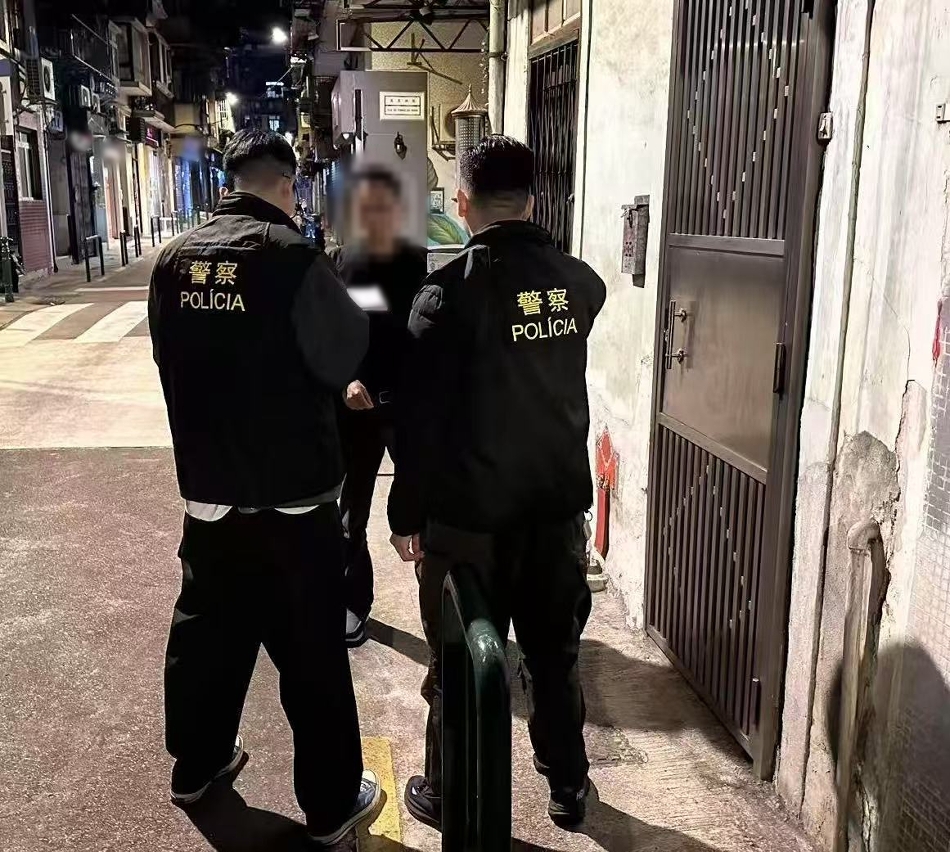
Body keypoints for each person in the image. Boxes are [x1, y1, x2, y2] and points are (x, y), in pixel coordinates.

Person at [148, 129, 381, 846]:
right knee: (310, 654)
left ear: (230, 181)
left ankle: (197, 767)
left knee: (207, 636)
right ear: (286, 184)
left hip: (210, 494)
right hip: (293, 500)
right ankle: (331, 805)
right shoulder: (294, 257)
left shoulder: (175, 261)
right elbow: (343, 354)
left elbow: (166, 356)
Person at [388, 135, 607, 830]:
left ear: (463, 203)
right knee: (554, 657)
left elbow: (419, 421)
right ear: (533, 201)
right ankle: (568, 786)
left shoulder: (444, 296)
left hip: (467, 520)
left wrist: (405, 512)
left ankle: (449, 791)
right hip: (553, 514)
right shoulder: (579, 285)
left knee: (458, 661)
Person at [328, 167, 427, 647]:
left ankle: (440, 610)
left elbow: (420, 334)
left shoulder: (415, 261)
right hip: (359, 410)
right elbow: (330, 333)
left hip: (407, 406)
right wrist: (345, 380)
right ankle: (352, 605)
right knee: (353, 510)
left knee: (424, 504)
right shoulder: (341, 261)